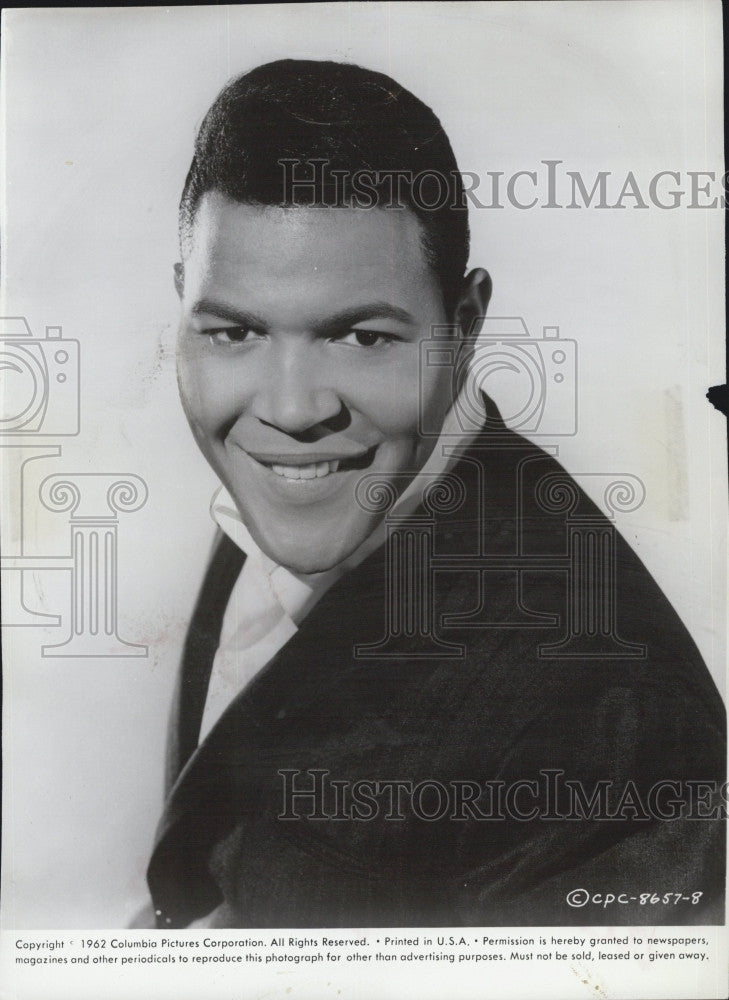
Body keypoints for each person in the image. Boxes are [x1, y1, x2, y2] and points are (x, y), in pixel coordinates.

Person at [142, 59, 725, 929]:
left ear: (466, 324)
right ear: (183, 312)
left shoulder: (614, 727)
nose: (290, 409)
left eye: (362, 337)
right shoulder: (311, 481)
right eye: (234, 331)